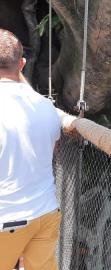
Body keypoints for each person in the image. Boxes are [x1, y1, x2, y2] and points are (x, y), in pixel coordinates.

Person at [0, 29, 61, 270]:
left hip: (6, 218)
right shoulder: (46, 107)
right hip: (45, 214)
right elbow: (51, 149)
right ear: (22, 64)